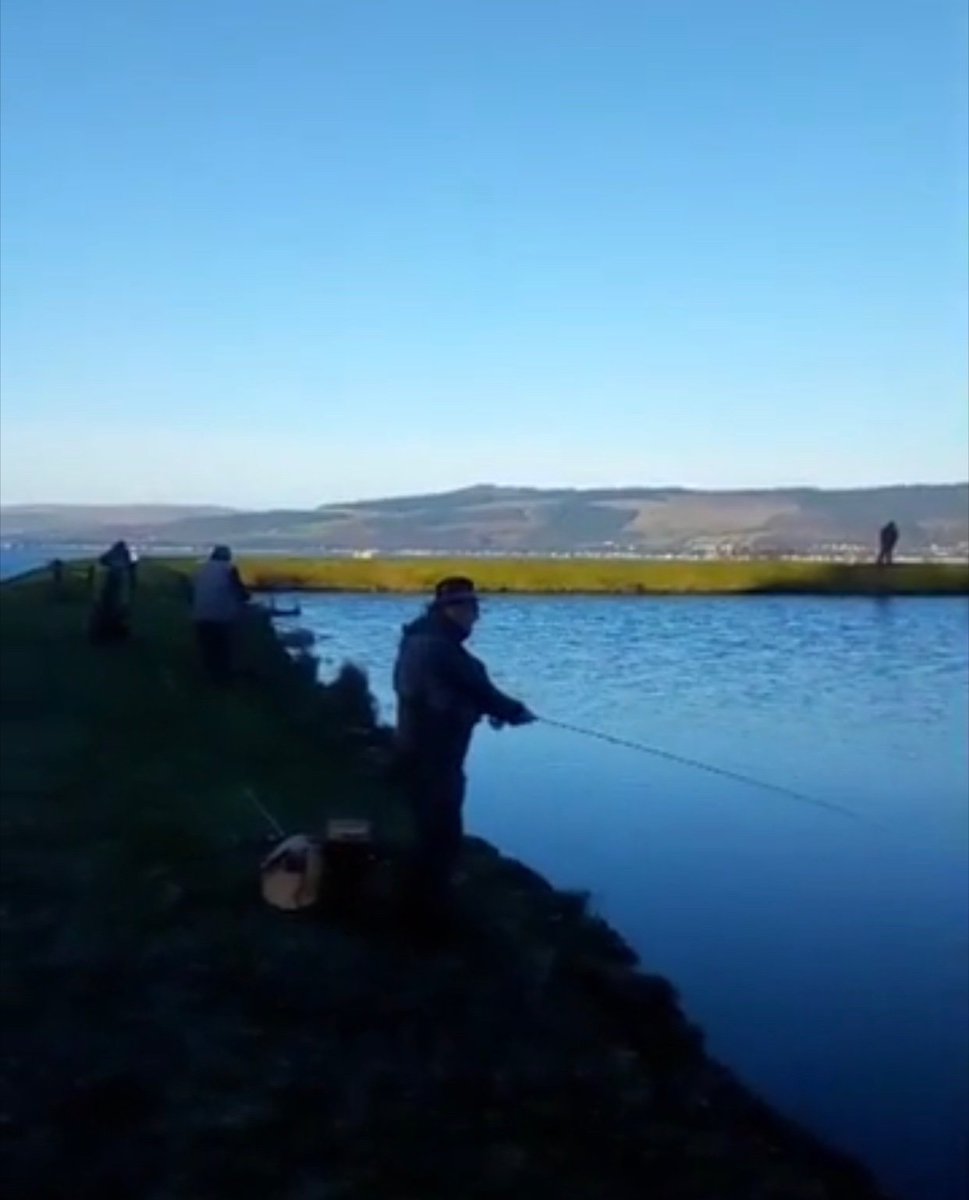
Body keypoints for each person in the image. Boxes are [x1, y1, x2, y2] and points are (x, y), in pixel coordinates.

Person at [392, 576, 535, 923]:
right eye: (473, 608)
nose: (477, 617)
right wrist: (513, 712)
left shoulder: (421, 639)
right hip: (434, 749)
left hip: (422, 745)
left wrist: (482, 708)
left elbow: (456, 689)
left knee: (431, 820)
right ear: (452, 609)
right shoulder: (438, 647)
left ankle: (427, 896)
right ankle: (431, 909)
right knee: (439, 824)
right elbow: (477, 687)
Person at [191, 545, 250, 683]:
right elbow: (241, 593)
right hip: (220, 617)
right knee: (223, 650)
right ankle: (223, 680)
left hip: (199, 615)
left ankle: (208, 679)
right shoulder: (229, 569)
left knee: (208, 650)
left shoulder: (202, 569)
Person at [88, 541, 134, 643]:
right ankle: (112, 628)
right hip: (116, 580)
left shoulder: (114, 553)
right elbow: (129, 564)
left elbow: (102, 560)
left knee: (111, 603)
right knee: (114, 603)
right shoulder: (124, 553)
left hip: (113, 580)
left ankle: (109, 628)